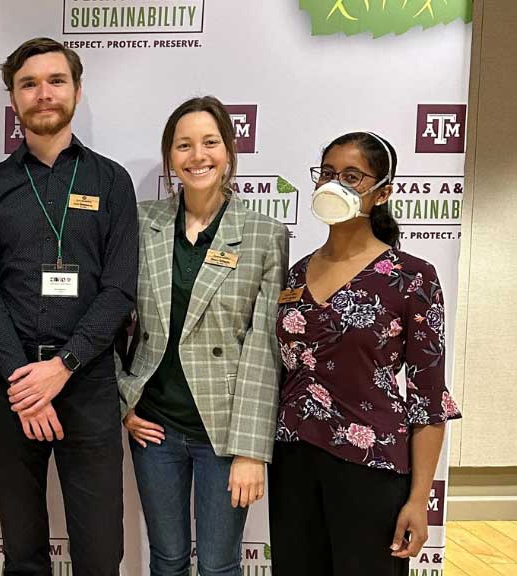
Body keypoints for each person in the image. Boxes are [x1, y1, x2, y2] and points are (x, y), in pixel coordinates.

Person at [0, 37, 137, 575]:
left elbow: (118, 290)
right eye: (29, 84)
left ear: (77, 91)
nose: (44, 94)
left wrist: (61, 369)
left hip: (86, 382)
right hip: (9, 385)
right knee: (22, 549)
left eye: (56, 81)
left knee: (100, 547)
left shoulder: (111, 180)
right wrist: (26, 379)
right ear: (13, 100)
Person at [269, 132, 462, 575]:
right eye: (328, 174)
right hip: (293, 462)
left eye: (352, 176)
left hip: (370, 465)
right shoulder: (296, 272)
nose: (335, 185)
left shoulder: (412, 277)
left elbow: (428, 396)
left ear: (384, 191)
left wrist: (419, 498)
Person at [117, 96, 288, 576]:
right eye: (184, 145)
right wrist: (124, 400)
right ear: (170, 158)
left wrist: (252, 451)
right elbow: (109, 312)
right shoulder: (141, 222)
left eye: (210, 142)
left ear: (229, 151)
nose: (198, 156)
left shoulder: (262, 233)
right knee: (167, 559)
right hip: (154, 427)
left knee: (218, 565)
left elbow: (263, 346)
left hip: (225, 432)